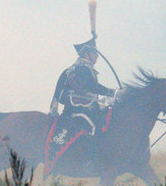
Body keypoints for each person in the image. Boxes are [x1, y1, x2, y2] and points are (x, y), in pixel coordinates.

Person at [45, 38, 117, 171]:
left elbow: (57, 93)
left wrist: (53, 109)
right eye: (94, 54)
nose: (97, 57)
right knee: (96, 126)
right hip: (80, 109)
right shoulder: (82, 69)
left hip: (80, 107)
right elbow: (93, 87)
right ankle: (91, 158)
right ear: (86, 54)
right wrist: (114, 92)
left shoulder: (74, 69)